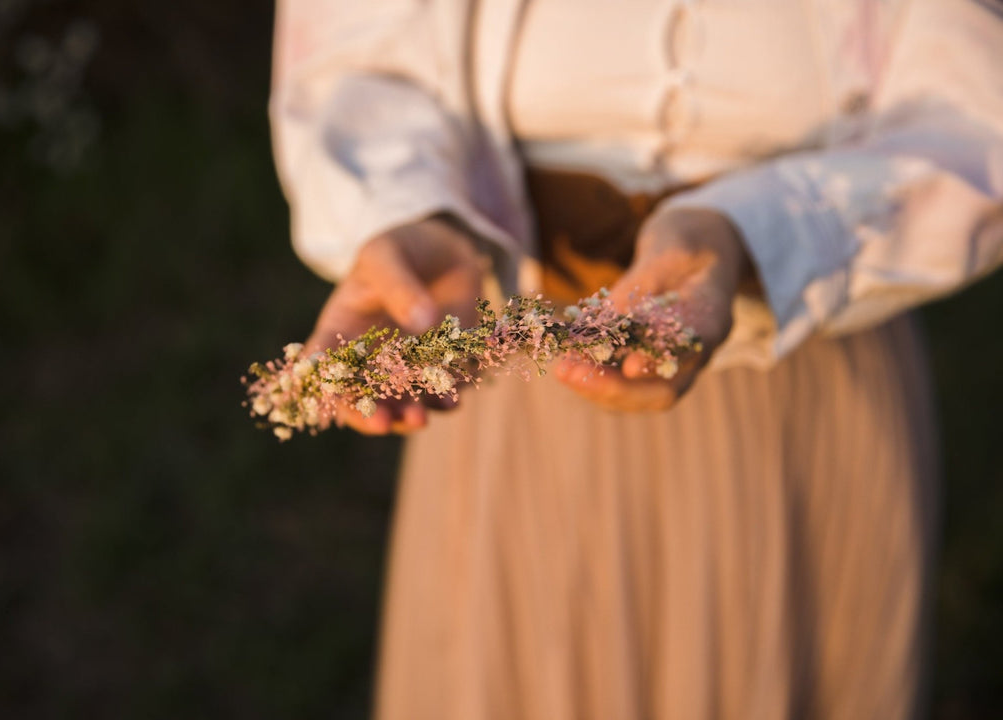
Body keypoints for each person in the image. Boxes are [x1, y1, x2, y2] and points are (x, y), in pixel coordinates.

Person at [270, 1, 1003, 717]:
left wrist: (749, 232)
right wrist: (414, 210)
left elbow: (979, 123)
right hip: (517, 390)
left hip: (804, 390)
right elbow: (355, 67)